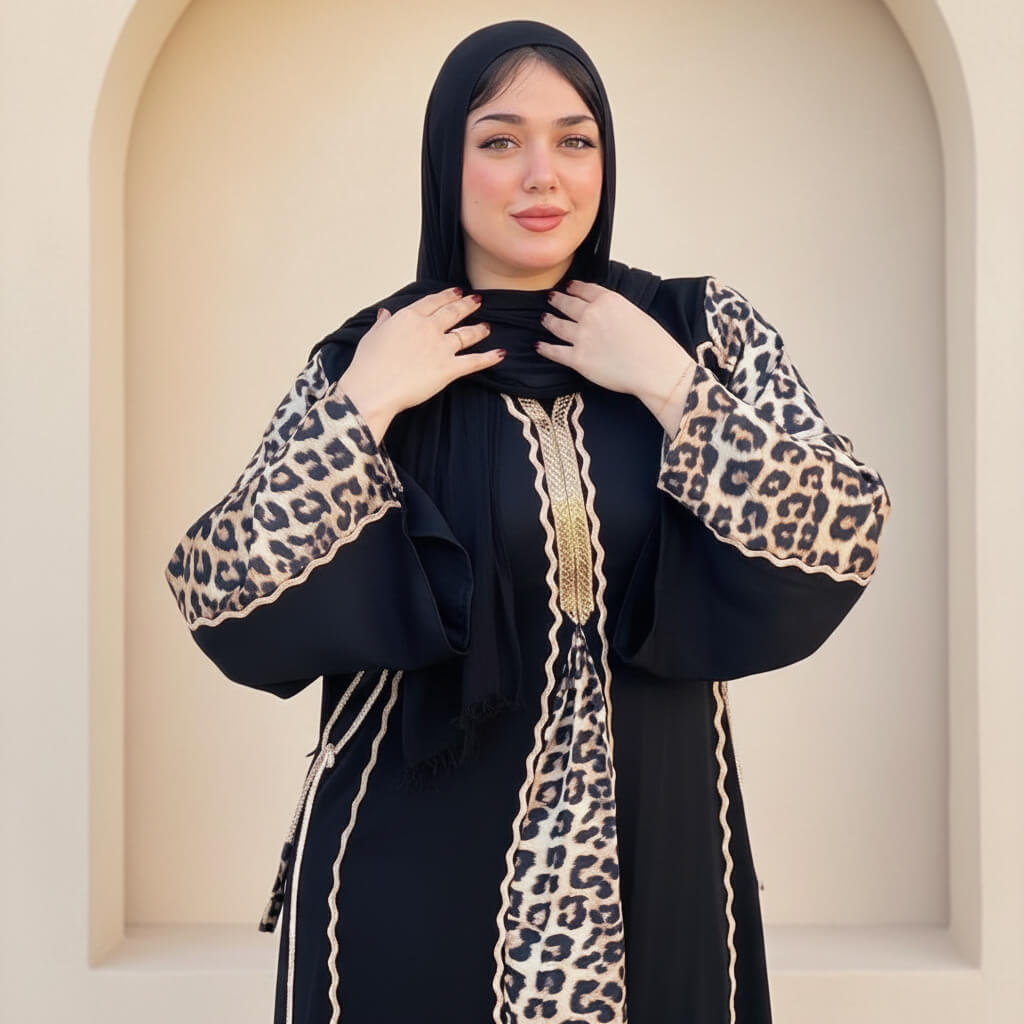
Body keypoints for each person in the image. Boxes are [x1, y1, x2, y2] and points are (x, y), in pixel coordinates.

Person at [165, 19, 890, 1024]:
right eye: (500, 140)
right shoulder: (372, 355)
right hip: (404, 872)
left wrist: (671, 386)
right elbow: (221, 587)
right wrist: (365, 406)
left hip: (658, 853)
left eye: (574, 139)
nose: (542, 175)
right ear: (445, 163)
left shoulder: (696, 330)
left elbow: (842, 526)